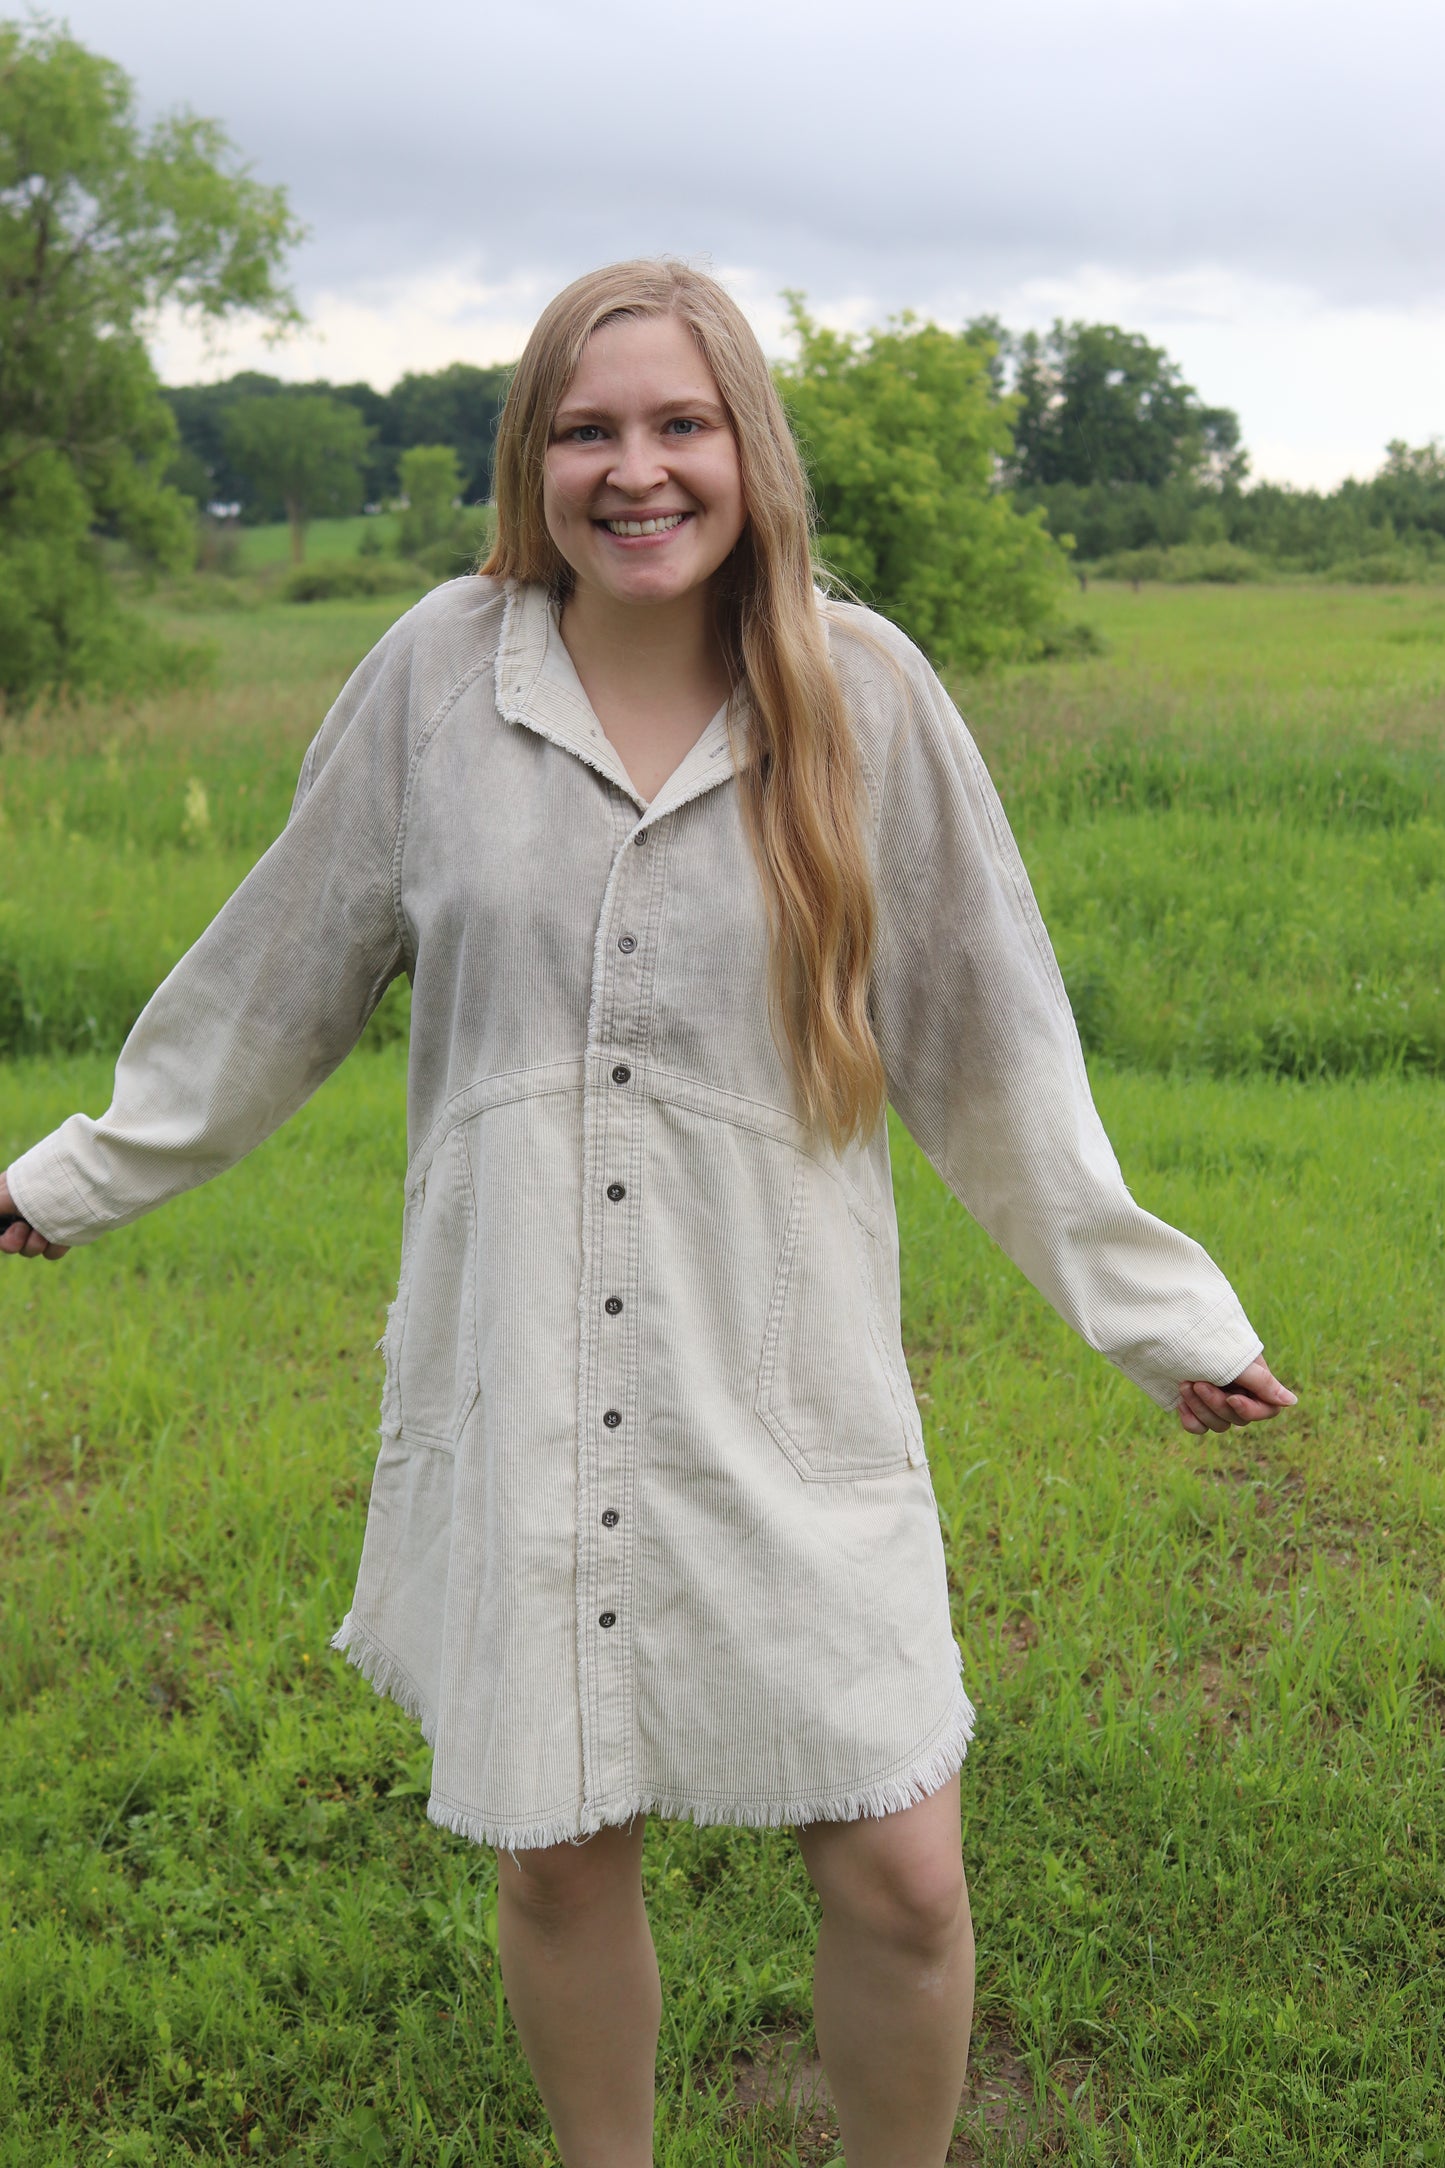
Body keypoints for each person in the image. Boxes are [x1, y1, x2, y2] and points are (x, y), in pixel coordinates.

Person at [0, 258, 1296, 2168]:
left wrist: (1157, 1313)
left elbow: (990, 1036)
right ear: (531, 461)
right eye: (587, 431)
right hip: (518, 1365)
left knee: (901, 1874)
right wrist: (70, 1178)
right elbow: (275, 971)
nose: (635, 471)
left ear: (744, 449)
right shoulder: (438, 678)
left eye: (677, 424)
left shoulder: (864, 695)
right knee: (557, 1861)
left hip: (783, 1386)